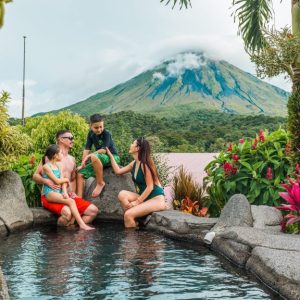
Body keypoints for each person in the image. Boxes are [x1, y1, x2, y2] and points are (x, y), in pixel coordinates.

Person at [33, 130, 99, 226]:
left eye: (73, 138)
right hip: (50, 196)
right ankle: (60, 237)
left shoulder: (72, 159)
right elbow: (35, 176)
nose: (72, 140)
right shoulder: (49, 158)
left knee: (93, 211)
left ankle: (72, 232)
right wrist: (45, 181)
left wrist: (75, 194)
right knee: (67, 213)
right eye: (70, 138)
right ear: (60, 139)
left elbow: (72, 180)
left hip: (66, 195)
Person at [106, 137, 167, 228]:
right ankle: (135, 221)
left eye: (132, 143)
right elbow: (118, 171)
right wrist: (111, 156)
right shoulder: (135, 163)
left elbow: (150, 187)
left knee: (128, 215)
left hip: (156, 199)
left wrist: (136, 202)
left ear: (138, 148)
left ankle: (133, 237)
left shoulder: (145, 164)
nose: (130, 145)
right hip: (145, 197)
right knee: (122, 194)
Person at [41, 144, 94, 231]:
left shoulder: (59, 165)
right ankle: (82, 225)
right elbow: (57, 181)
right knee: (71, 201)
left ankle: (73, 225)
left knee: (70, 202)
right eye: (61, 153)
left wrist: (65, 192)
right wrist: (66, 179)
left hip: (59, 192)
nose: (62, 154)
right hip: (50, 193)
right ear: (55, 155)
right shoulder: (46, 167)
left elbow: (62, 182)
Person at [77, 114, 121, 198]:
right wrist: (82, 164)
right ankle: (79, 199)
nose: (99, 129)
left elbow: (104, 150)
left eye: (101, 127)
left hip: (112, 158)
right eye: (96, 128)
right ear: (91, 126)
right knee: (80, 173)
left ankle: (100, 183)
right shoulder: (90, 134)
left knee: (94, 156)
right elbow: (86, 149)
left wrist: (89, 156)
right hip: (99, 160)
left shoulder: (107, 134)